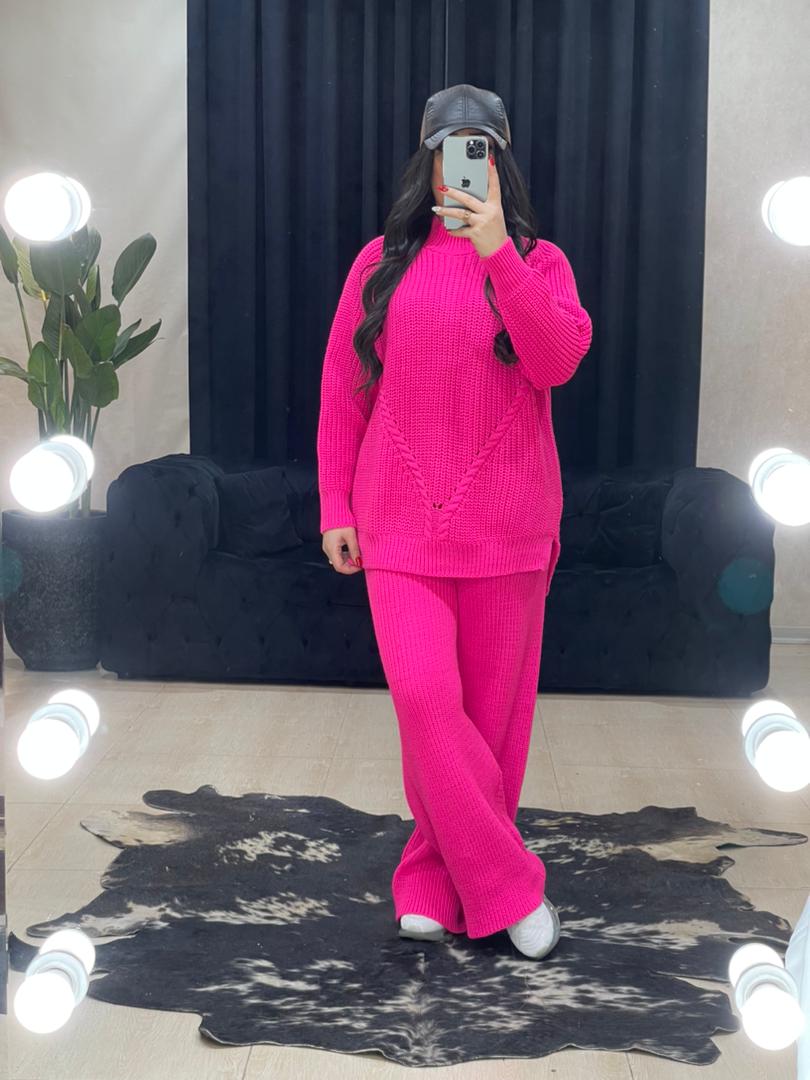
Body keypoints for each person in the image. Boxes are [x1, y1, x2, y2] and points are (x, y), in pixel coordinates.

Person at [316, 85, 592, 959]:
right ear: (428, 161)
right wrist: (334, 505)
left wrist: (498, 252)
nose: (463, 165)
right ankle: (510, 889)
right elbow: (343, 391)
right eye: (449, 149)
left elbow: (556, 362)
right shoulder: (379, 264)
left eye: (480, 148)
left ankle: (431, 878)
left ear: (499, 162)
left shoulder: (540, 262)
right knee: (428, 703)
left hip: (510, 528)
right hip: (398, 525)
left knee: (494, 729)